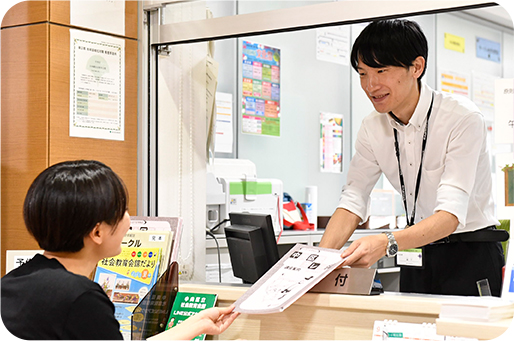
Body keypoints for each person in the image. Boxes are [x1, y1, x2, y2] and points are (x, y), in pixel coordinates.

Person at [319, 19, 506, 297]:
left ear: (416, 67)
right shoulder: (372, 127)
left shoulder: (461, 119)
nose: (371, 85)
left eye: (381, 70)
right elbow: (353, 198)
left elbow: (450, 216)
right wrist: (317, 262)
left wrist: (386, 242)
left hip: (470, 253)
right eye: (362, 73)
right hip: (414, 252)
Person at [1, 160, 239, 340]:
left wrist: (195, 325)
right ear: (97, 233)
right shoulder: (81, 298)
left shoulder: (14, 281)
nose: (128, 221)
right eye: (122, 212)